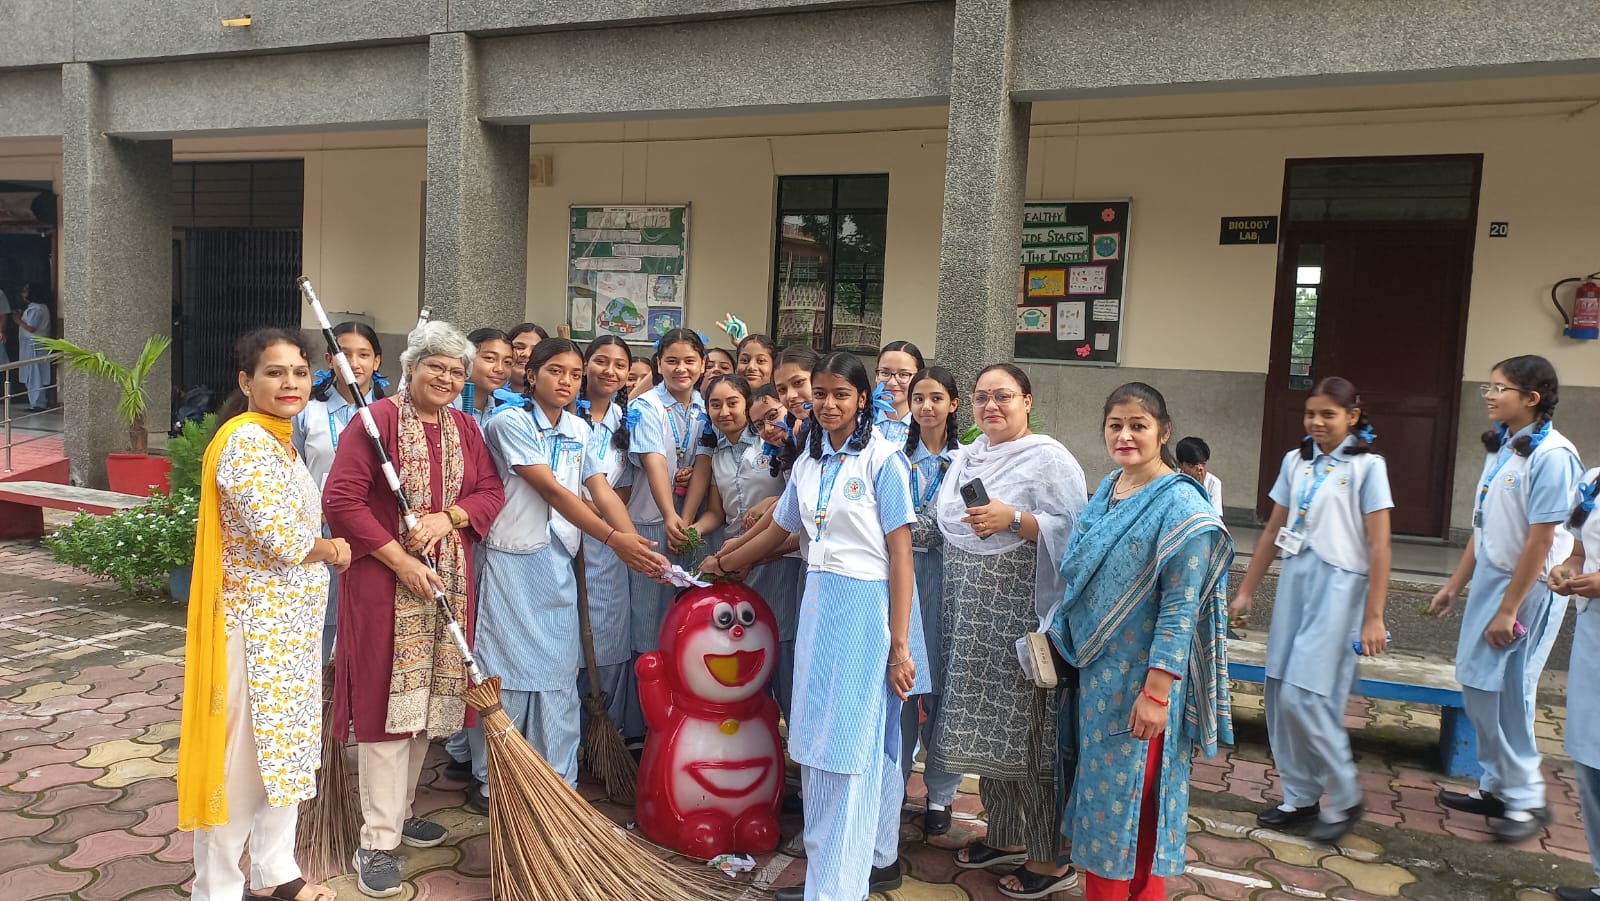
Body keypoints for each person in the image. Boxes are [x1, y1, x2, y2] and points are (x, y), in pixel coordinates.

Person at [702, 352, 926, 901]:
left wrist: (899, 646)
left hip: (867, 610)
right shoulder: (808, 462)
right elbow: (777, 532)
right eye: (819, 394)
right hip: (820, 603)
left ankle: (839, 889)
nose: (826, 405)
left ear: (862, 399)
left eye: (839, 395)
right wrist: (724, 560)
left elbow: (901, 557)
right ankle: (824, 880)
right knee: (820, 749)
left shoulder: (883, 460)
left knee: (852, 753)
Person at [322, 321, 505, 898]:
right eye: (436, 367)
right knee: (384, 707)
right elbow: (341, 500)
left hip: (448, 580)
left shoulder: (466, 428)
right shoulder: (374, 423)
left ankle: (399, 814)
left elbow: (490, 492)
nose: (446, 379)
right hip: (384, 585)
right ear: (412, 366)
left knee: (427, 700)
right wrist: (400, 559)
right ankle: (377, 840)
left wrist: (446, 517)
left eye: (456, 371)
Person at [178, 328, 351, 901]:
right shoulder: (247, 442)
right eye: (274, 372)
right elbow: (282, 539)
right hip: (253, 631)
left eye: (299, 372)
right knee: (241, 766)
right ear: (245, 381)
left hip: (289, 631)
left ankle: (276, 871)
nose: (290, 383)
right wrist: (332, 547)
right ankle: (219, 887)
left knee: (285, 754)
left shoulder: (282, 441)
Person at [1047, 382, 1233, 901]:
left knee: (1131, 806)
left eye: (1138, 425)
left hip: (1142, 686)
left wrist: (1156, 694)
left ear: (1163, 431)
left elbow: (1180, 608)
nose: (1125, 435)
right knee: (1102, 804)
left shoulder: (1181, 508)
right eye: (1115, 425)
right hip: (1095, 678)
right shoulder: (1109, 488)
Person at [470, 338, 668, 806]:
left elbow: (598, 488)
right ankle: (497, 777)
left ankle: (558, 778)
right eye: (555, 371)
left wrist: (634, 546)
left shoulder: (579, 429)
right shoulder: (509, 422)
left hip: (558, 560)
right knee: (509, 673)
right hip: (512, 557)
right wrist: (614, 540)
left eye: (574, 374)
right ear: (531, 374)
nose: (566, 381)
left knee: (560, 671)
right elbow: (553, 491)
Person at [933, 363, 1084, 900]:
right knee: (991, 739)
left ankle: (1049, 859)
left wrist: (1014, 520)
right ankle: (1005, 834)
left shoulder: (1049, 459)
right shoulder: (968, 458)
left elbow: (1076, 531)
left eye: (1003, 397)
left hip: (1023, 622)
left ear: (1027, 400)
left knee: (1030, 741)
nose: (990, 406)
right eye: (980, 398)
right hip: (970, 624)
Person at [1228, 377, 1393, 841]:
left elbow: (1380, 544)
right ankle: (1300, 796)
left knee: (1309, 695)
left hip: (1340, 587)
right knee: (1280, 692)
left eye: (1329, 414)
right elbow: (1270, 532)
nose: (1317, 422)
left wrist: (1374, 614)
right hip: (1296, 582)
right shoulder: (1296, 462)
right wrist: (1246, 591)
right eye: (1311, 414)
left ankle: (1345, 796)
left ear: (1352, 417)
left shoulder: (1367, 467)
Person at [1430, 355, 1582, 842]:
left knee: (1511, 693)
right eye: (1488, 388)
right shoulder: (1504, 447)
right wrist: (1456, 584)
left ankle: (1527, 797)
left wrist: (1510, 608)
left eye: (1500, 388)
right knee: (1476, 684)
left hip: (1528, 588)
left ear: (1531, 398)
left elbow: (1541, 541)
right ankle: (1496, 787)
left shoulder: (1553, 455)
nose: (1490, 395)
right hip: (1492, 582)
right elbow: (1481, 524)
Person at [687, 374, 803, 717]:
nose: (724, 411)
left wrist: (769, 503)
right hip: (737, 563)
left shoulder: (772, 441)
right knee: (748, 645)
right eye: (715, 404)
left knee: (782, 646)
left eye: (732, 402)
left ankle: (791, 735)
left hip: (778, 558)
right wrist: (693, 531)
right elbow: (716, 512)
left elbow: (793, 500)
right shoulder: (717, 456)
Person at [292, 322, 386, 663]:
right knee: (324, 620)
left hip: (377, 534)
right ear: (330, 359)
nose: (354, 363)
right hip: (322, 533)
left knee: (369, 622)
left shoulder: (390, 414)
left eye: (364, 355)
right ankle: (321, 703)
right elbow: (295, 469)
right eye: (344, 354)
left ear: (377, 361)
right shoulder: (307, 412)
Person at [899, 366, 964, 836]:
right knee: (900, 686)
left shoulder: (970, 462)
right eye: (918, 398)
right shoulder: (892, 459)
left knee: (944, 691)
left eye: (935, 398)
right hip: (901, 579)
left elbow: (962, 524)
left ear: (953, 404)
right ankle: (893, 781)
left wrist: (915, 531)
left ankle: (940, 795)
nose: (926, 407)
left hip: (951, 582)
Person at [575, 335, 645, 739]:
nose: (610, 371)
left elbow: (626, 486)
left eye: (620, 365)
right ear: (586, 365)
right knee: (568, 634)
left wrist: (596, 511)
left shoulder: (627, 421)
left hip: (608, 539)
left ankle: (604, 729)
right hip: (565, 537)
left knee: (607, 632)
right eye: (601, 361)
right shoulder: (565, 414)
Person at [626, 328, 708, 659]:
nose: (681, 369)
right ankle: (642, 706)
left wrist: (685, 519)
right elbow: (654, 460)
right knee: (647, 621)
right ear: (658, 364)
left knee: (685, 618)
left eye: (690, 361)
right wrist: (669, 515)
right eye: (671, 361)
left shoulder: (705, 405)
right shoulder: (647, 406)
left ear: (703, 364)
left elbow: (705, 460)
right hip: (652, 522)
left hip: (691, 526)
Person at [1549, 471, 1600, 901]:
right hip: (1592, 633)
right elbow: (1581, 550)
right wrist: (1567, 569)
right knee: (1590, 755)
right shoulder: (1595, 481)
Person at [872, 341, 924, 445]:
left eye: (903, 374)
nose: (892, 382)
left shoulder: (928, 425)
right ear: (877, 376)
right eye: (885, 373)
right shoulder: (858, 421)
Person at [460, 327, 513, 427]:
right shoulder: (447, 407)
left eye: (507, 362)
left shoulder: (505, 413)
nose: (500, 369)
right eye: (490, 358)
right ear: (467, 358)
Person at [14, 282, 52, 411]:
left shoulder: (37, 309)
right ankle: (35, 402)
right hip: (30, 345)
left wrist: (17, 319)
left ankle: (38, 403)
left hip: (35, 346)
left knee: (35, 374)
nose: (23, 293)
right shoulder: (34, 307)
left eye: (25, 291)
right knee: (32, 374)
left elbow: (31, 327)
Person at [1175, 436, 1224, 517]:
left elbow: (1216, 517)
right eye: (1192, 465)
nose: (1199, 469)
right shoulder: (1172, 480)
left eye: (1203, 464)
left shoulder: (1213, 483)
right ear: (1179, 464)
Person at [505, 322, 547, 395]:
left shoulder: (557, 401)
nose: (526, 354)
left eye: (535, 350)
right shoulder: (486, 396)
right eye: (519, 347)